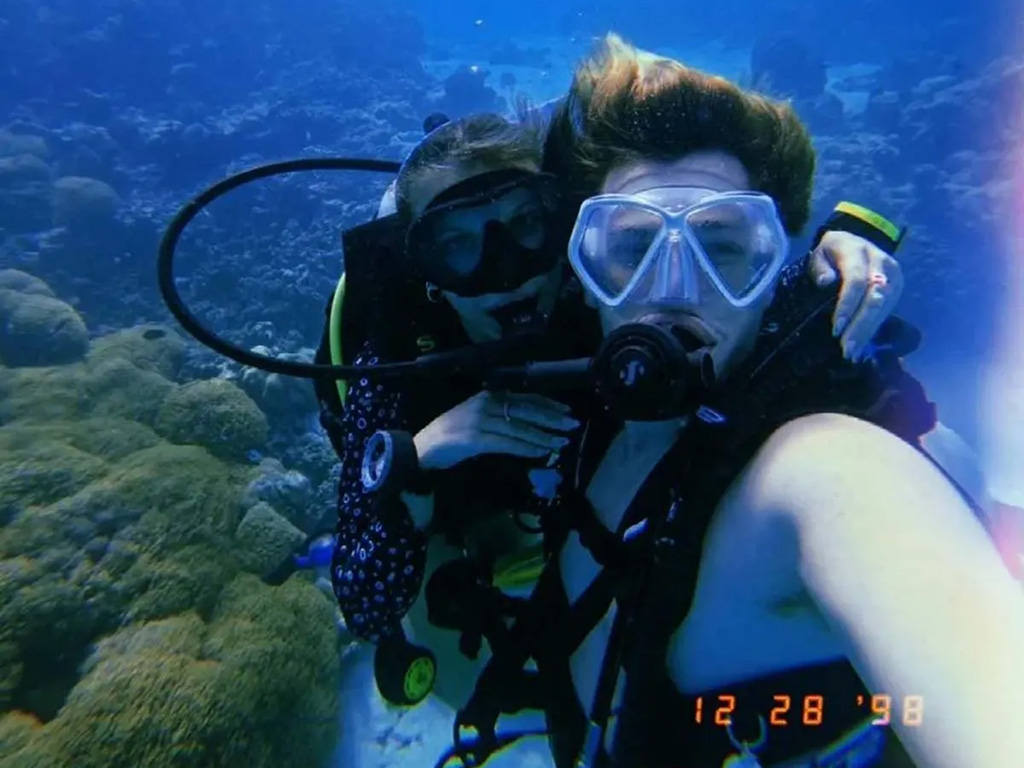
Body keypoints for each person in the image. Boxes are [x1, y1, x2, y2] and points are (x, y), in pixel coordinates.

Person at [440, 34, 1024, 768]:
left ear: (775, 265)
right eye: (631, 246)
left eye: (721, 248)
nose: (670, 287)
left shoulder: (823, 472)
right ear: (580, 272)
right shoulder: (580, 406)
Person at [311, 105, 913, 708]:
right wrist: (420, 457)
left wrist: (832, 265)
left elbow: (732, 311)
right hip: (462, 516)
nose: (504, 270)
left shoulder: (604, 286)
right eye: (458, 243)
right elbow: (366, 604)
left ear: (565, 225)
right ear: (427, 273)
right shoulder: (395, 364)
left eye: (526, 225)